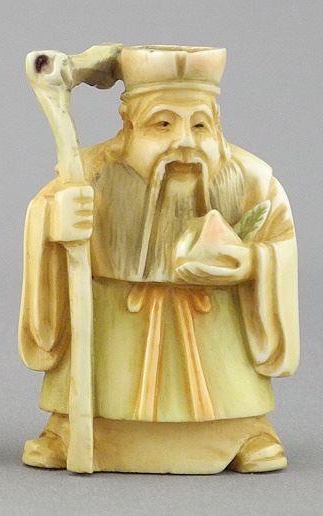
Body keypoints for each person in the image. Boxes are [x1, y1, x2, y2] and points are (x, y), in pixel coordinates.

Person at [20, 46, 299, 473]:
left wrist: (250, 264)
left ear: (217, 122)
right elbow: (43, 227)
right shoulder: (89, 172)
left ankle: (244, 431)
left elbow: (280, 242)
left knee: (234, 401)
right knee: (97, 388)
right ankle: (70, 430)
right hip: (114, 323)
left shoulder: (251, 179)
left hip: (216, 325)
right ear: (128, 124)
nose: (184, 141)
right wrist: (53, 222)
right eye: (163, 124)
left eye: (199, 124)